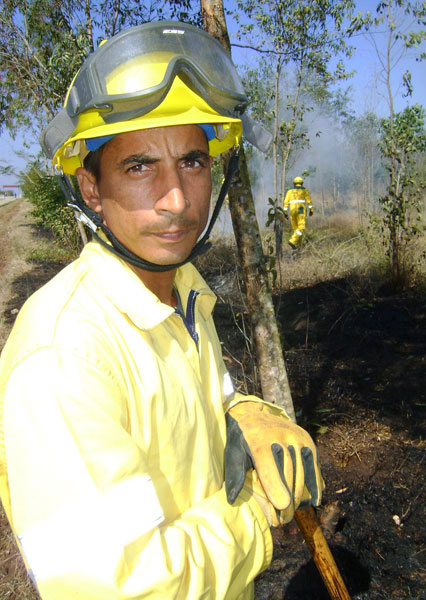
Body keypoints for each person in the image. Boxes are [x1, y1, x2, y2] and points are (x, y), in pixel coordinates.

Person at [0, 21, 324, 600]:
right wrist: (256, 515)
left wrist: (242, 410)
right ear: (91, 189)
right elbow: (125, 587)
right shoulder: (63, 356)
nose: (177, 199)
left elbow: (188, 406)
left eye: (193, 162)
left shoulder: (183, 292)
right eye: (139, 166)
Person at [283, 176, 314, 248]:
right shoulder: (304, 190)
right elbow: (309, 201)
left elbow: (285, 202)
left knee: (296, 229)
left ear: (294, 184)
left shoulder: (290, 191)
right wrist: (311, 210)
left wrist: (285, 212)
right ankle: (292, 241)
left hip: (292, 210)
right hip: (301, 210)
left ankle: (299, 246)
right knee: (301, 227)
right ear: (302, 183)